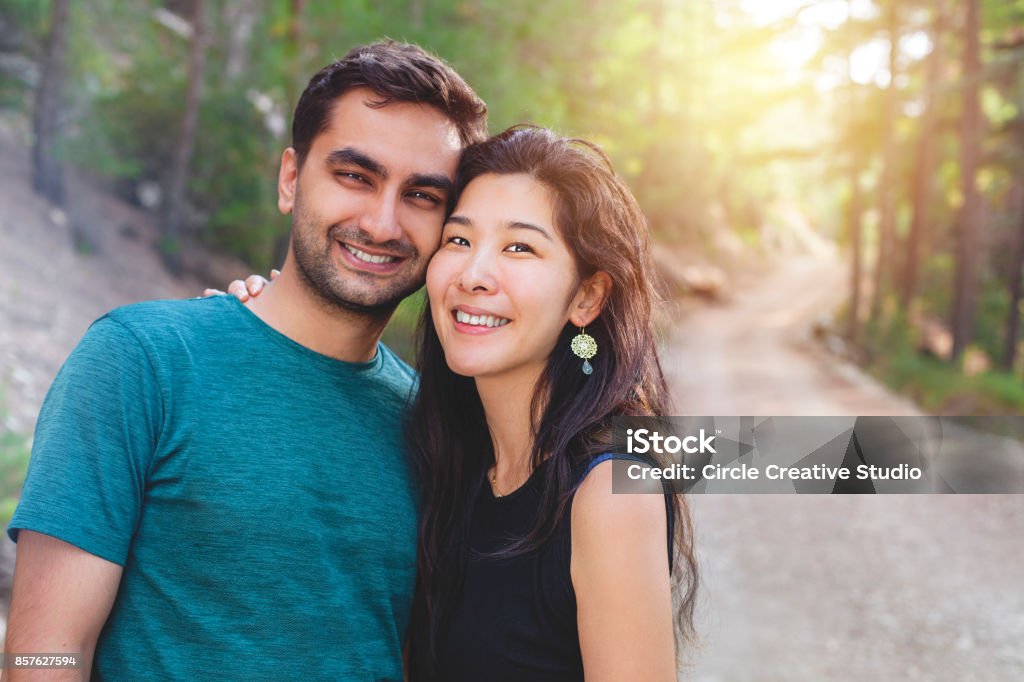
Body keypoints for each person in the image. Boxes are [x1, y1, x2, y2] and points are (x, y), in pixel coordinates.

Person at [3, 41, 487, 681]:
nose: (381, 222)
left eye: (422, 195)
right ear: (291, 179)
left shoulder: (433, 426)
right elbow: (42, 653)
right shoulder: (141, 362)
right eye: (354, 176)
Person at [230, 126, 699, 680]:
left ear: (586, 297)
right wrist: (259, 326)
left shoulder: (609, 491)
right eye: (458, 240)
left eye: (519, 247)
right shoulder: (446, 451)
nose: (474, 275)